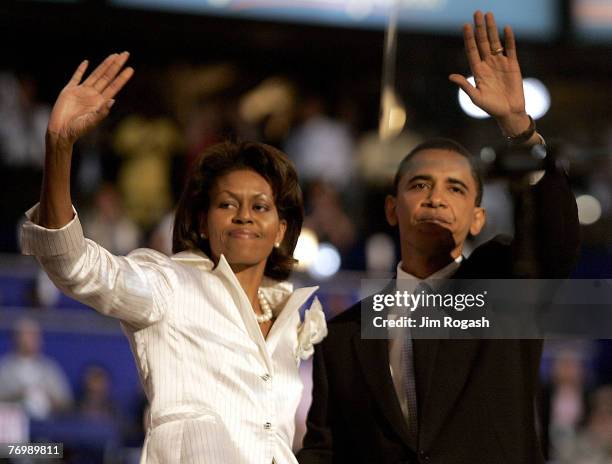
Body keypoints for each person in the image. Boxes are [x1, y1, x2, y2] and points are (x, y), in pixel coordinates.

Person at [298, 11, 580, 464]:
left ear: (477, 219)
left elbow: (557, 237)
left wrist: (520, 129)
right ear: (392, 208)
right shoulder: (344, 335)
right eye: (419, 184)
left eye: (456, 188)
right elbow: (326, 450)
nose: (436, 198)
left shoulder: (506, 288)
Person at [20, 52, 327, 464]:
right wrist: (59, 147)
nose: (244, 216)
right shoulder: (169, 284)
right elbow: (74, 265)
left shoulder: (291, 318)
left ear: (282, 230)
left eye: (261, 207)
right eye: (227, 205)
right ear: (202, 222)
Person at [0, 317, 73, 419]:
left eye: (36, 335)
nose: (33, 340)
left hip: (47, 426)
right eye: (28, 335)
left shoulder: (49, 368)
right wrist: (19, 395)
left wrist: (48, 398)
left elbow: (65, 402)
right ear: (17, 338)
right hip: (11, 426)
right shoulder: (4, 367)